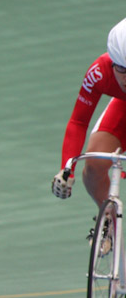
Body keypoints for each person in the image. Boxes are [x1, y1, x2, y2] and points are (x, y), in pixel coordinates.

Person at [52, 17, 126, 207]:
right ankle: (108, 222)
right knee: (93, 167)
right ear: (112, 62)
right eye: (122, 69)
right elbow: (78, 122)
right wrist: (66, 169)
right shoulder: (99, 73)